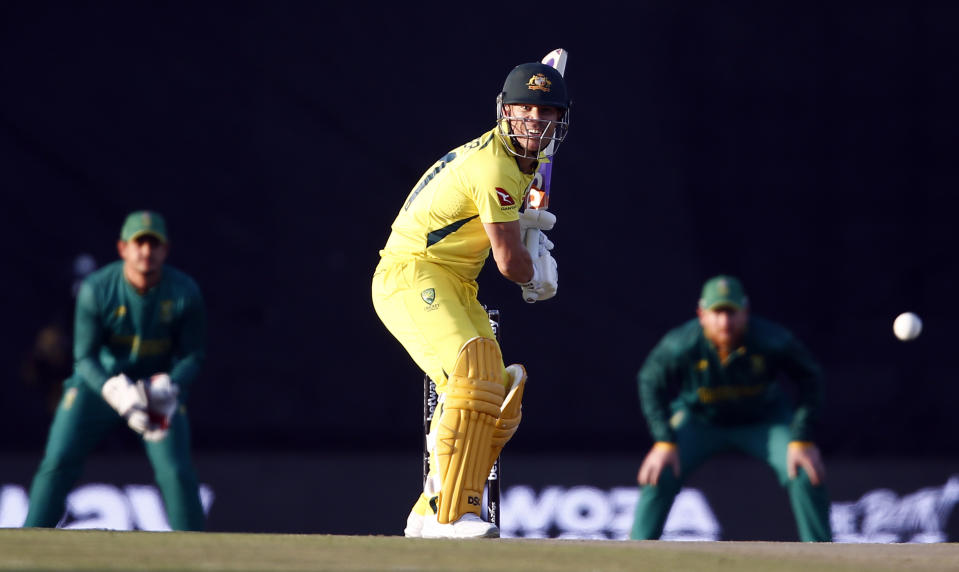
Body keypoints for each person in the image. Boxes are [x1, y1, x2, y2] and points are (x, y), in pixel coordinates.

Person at [372, 60, 571, 538]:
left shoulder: (517, 162)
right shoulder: (496, 167)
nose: (534, 122)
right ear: (505, 113)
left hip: (456, 282)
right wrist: (535, 276)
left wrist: (525, 226)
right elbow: (507, 261)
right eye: (524, 111)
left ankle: (427, 510)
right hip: (412, 271)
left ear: (558, 121)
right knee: (472, 372)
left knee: (497, 392)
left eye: (544, 113)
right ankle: (452, 515)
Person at [23, 210, 207, 531]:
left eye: (154, 244)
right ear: (123, 248)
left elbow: (193, 354)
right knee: (58, 461)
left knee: (176, 472)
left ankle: (197, 552)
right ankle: (28, 539)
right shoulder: (97, 289)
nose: (146, 252)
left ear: (166, 250)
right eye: (139, 244)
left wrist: (171, 384)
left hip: (156, 392)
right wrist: (115, 391)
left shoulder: (184, 292)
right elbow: (84, 357)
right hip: (99, 386)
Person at [631, 275, 832, 542]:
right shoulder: (681, 344)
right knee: (659, 472)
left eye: (732, 313)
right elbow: (649, 380)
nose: (725, 322)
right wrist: (664, 441)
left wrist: (801, 436)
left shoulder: (772, 340)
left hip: (763, 420)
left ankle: (821, 557)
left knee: (805, 470)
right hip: (700, 420)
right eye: (717, 313)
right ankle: (635, 554)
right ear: (702, 314)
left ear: (745, 312)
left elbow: (811, 377)